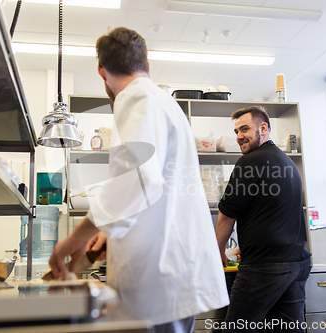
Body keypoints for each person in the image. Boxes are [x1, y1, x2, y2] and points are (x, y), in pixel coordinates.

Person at [49, 27, 229, 332]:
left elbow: (135, 181)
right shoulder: (163, 102)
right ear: (147, 65)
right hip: (171, 272)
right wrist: (108, 232)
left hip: (159, 278)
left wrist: (74, 239)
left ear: (101, 71)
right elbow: (152, 187)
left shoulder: (135, 98)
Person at [215, 106, 312, 332]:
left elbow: (227, 214)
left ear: (264, 128)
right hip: (297, 262)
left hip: (265, 267)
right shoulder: (287, 163)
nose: (239, 136)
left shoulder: (249, 162)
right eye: (237, 131)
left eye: (245, 129)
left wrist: (217, 251)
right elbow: (272, 214)